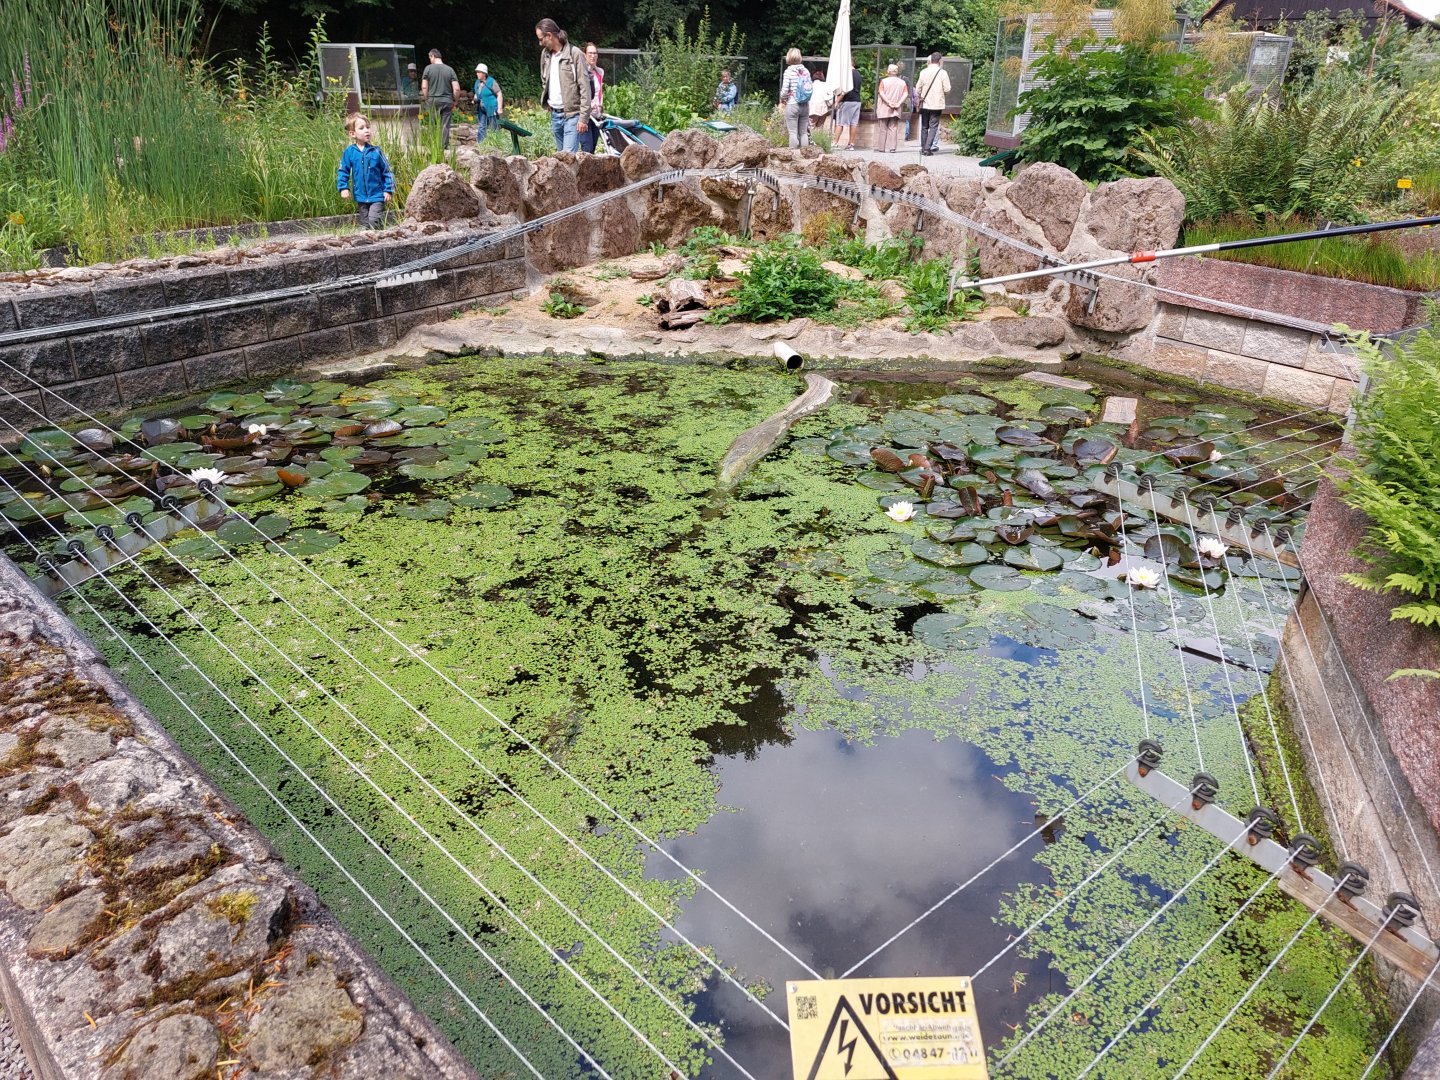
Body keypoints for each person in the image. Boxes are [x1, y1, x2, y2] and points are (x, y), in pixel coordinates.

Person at [535, 18, 591, 154]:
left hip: (572, 115)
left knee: (568, 160)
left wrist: (583, 118)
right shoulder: (545, 55)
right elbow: (544, 79)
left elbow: (585, 88)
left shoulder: (574, 53)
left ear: (549, 36)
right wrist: (548, 99)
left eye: (541, 39)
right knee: (561, 162)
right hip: (555, 114)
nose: (540, 43)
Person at [336, 113, 394, 230]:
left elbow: (388, 171)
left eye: (368, 127)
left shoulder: (376, 151)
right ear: (352, 134)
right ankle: (373, 241)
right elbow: (343, 171)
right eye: (361, 128)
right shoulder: (349, 152)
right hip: (361, 196)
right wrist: (343, 188)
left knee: (373, 220)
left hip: (377, 195)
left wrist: (388, 189)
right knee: (364, 224)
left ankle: (379, 238)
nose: (366, 130)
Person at [420, 48, 460, 149]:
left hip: (433, 101)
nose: (430, 60)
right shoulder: (450, 70)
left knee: (433, 124)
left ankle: (433, 147)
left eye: (430, 57)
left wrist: (426, 98)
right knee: (445, 125)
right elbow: (457, 89)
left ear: (433, 56)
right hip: (447, 101)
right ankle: (443, 147)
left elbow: (424, 87)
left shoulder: (428, 69)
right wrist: (455, 100)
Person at [916, 52, 950, 156]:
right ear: (940, 61)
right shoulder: (943, 73)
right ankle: (927, 148)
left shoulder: (923, 72)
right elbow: (947, 88)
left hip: (925, 103)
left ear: (930, 60)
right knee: (933, 126)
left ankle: (923, 148)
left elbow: (917, 89)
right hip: (937, 104)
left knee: (924, 126)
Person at [778, 48, 811, 149]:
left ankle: (793, 156)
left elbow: (784, 91)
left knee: (792, 132)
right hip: (805, 105)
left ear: (789, 57)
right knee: (803, 133)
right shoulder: (806, 71)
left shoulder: (789, 71)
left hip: (793, 104)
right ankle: (805, 155)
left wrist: (782, 98)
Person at [875, 64, 909, 154]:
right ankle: (892, 148)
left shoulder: (883, 81)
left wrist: (888, 102)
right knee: (893, 127)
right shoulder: (902, 82)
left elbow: (881, 92)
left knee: (883, 128)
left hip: (884, 107)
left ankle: (881, 148)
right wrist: (898, 103)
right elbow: (905, 94)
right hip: (896, 108)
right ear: (897, 72)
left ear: (888, 71)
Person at [833, 57, 861, 151]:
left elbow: (844, 91)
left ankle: (834, 143)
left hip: (847, 101)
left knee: (840, 122)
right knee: (853, 123)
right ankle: (851, 144)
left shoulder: (848, 75)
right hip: (857, 101)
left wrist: (837, 101)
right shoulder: (857, 73)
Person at [581, 42, 604, 154]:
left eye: (595, 53)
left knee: (593, 148)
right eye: (590, 53)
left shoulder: (599, 72)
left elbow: (600, 93)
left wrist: (600, 106)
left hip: (596, 115)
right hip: (585, 115)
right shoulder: (581, 72)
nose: (593, 56)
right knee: (587, 148)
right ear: (585, 55)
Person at [473, 63, 503, 139]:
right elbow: (477, 93)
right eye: (477, 72)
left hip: (492, 107)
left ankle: (496, 144)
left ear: (484, 73)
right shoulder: (477, 82)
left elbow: (499, 94)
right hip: (481, 108)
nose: (477, 74)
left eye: (478, 72)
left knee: (494, 127)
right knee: (481, 126)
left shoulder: (491, 81)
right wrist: (475, 99)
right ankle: (481, 144)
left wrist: (499, 108)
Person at [807, 69, 833, 135]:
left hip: (812, 108)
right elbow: (830, 97)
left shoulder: (810, 85)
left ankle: (811, 143)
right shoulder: (826, 85)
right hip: (823, 108)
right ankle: (818, 142)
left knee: (811, 127)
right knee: (820, 127)